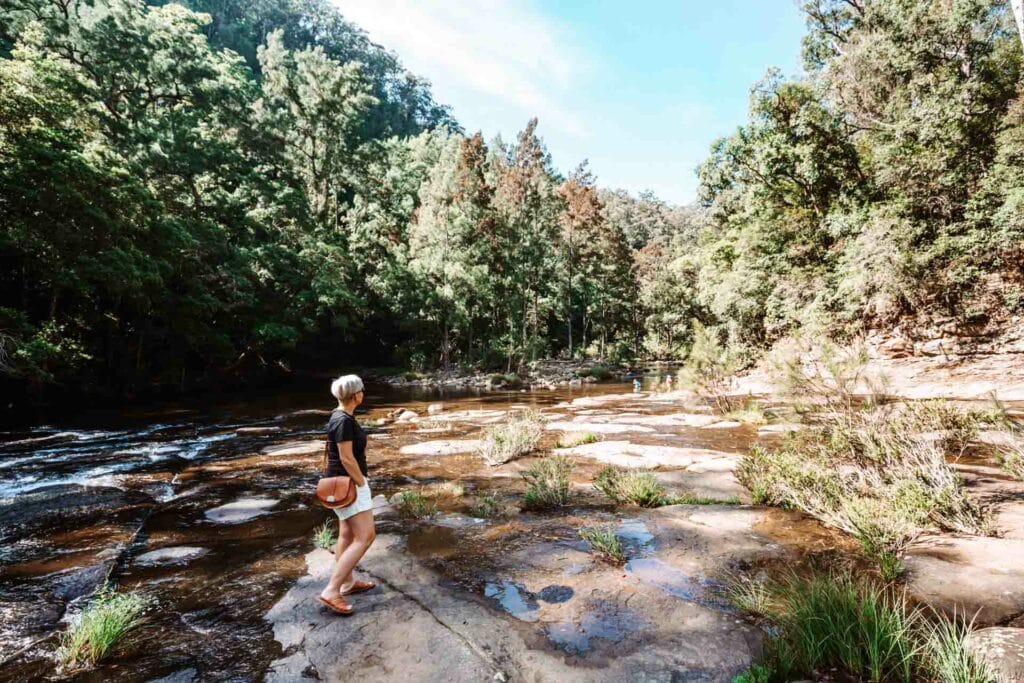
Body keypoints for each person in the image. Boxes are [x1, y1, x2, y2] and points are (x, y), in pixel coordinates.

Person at [318, 374, 376, 615]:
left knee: (347, 533)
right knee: (366, 536)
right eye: (362, 390)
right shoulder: (343, 420)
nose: (364, 393)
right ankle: (332, 590)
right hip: (350, 484)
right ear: (356, 395)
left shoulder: (340, 416)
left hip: (342, 484)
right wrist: (361, 482)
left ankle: (348, 582)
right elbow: (346, 457)